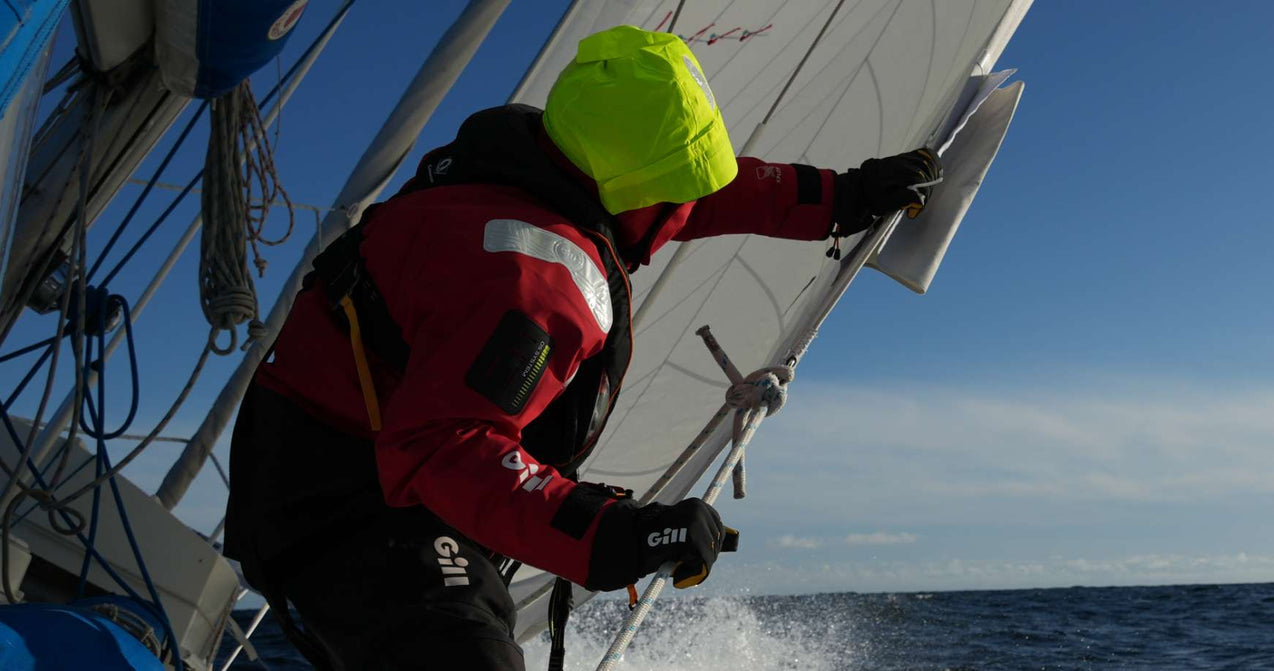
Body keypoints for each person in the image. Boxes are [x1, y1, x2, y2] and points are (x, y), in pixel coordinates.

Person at [220, 26, 940, 669]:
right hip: (340, 501)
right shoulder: (529, 280)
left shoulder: (547, 162)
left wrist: (843, 197)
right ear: (631, 189)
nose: (685, 206)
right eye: (674, 188)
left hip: (398, 463)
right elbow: (440, 447)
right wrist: (611, 532)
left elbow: (703, 193)